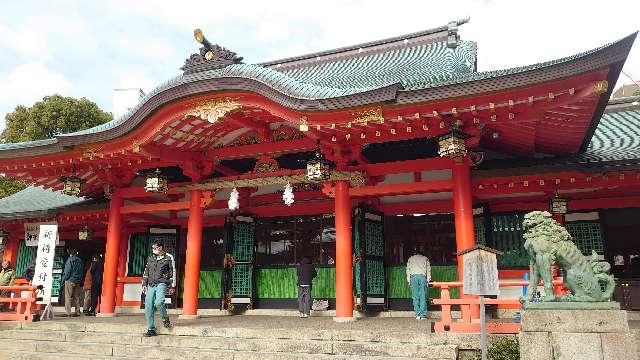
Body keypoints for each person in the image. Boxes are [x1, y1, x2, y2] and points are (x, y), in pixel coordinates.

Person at [142, 240, 176, 337]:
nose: (153, 250)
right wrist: (144, 284)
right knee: (148, 306)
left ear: (160, 247)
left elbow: (172, 271)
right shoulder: (151, 258)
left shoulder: (169, 257)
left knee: (159, 302)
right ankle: (151, 329)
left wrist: (172, 286)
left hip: (162, 283)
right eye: (152, 248)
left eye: (155, 248)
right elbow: (146, 271)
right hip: (151, 284)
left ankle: (165, 319)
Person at [406, 248, 431, 320]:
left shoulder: (411, 258)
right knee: (423, 295)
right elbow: (428, 270)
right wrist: (428, 280)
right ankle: (423, 315)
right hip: (422, 277)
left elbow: (408, 270)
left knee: (415, 296)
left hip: (413, 278)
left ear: (415, 253)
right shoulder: (425, 258)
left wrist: (409, 281)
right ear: (422, 253)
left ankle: (417, 314)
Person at [61, 248, 84, 317]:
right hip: (77, 281)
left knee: (68, 297)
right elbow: (82, 270)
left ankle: (68, 312)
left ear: (70, 253)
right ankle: (77, 312)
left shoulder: (70, 260)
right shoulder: (80, 260)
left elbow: (67, 272)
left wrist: (63, 280)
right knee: (76, 297)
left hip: (70, 280)